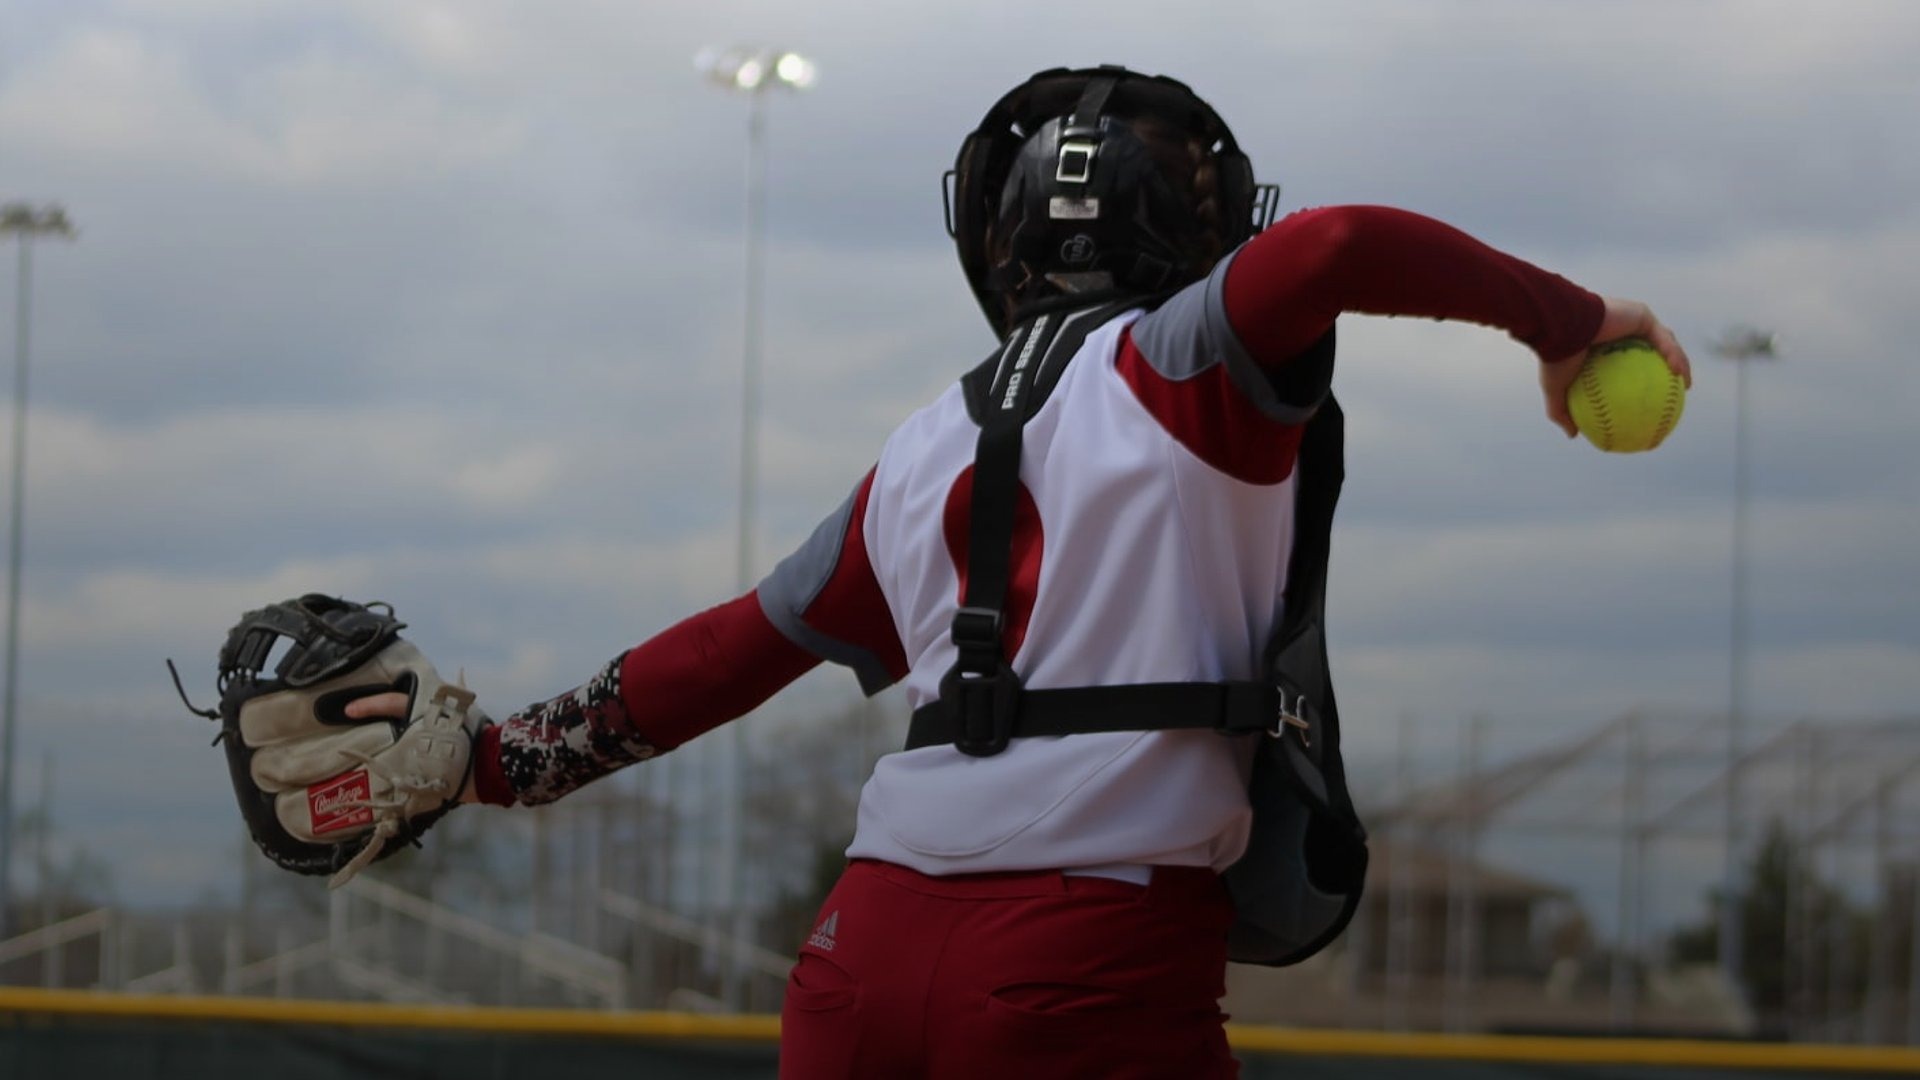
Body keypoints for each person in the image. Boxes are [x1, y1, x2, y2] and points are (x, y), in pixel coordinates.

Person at [350, 65, 1691, 1078]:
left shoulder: (921, 451)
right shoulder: (1192, 366)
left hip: (856, 963)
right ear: (1194, 229)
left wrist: (488, 763)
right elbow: (1337, 249)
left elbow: (722, 658)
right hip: (1089, 961)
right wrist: (1575, 322)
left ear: (992, 244)